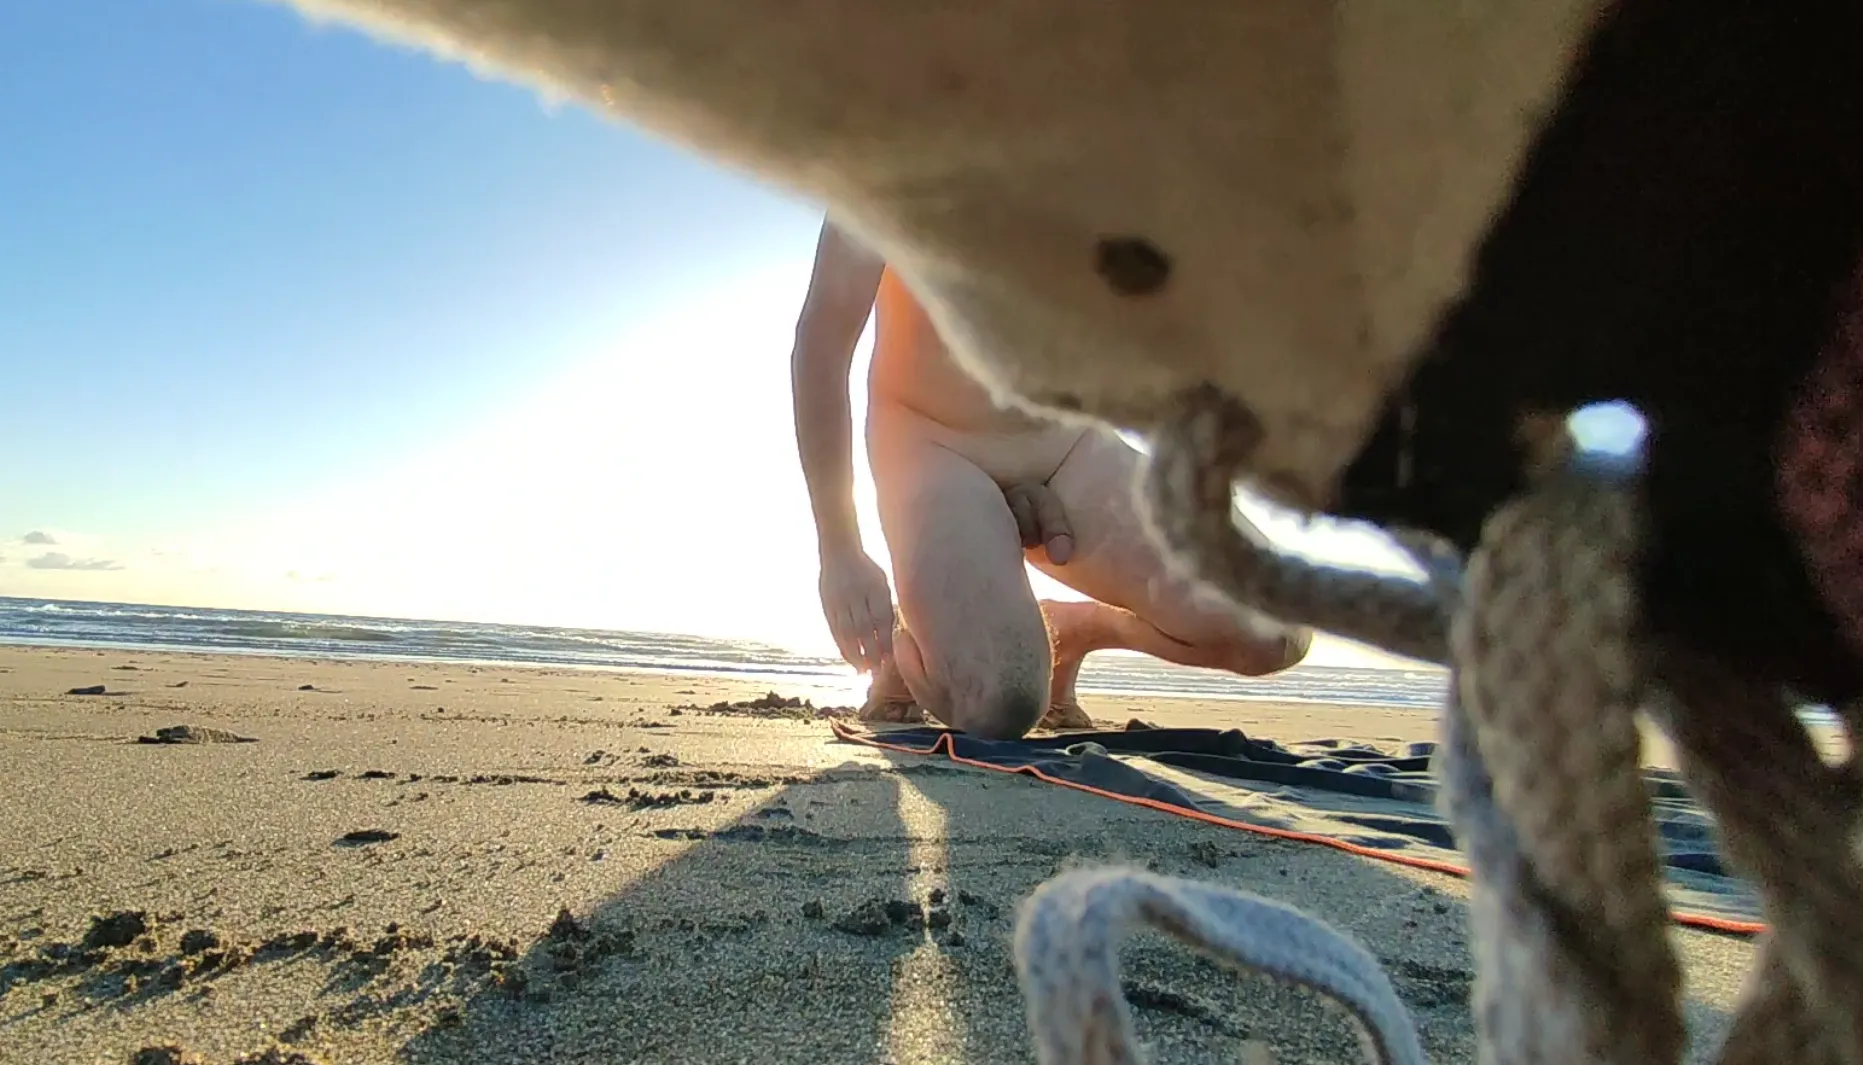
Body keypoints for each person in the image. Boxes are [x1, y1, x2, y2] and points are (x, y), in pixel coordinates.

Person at [791, 219, 1312, 740]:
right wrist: (840, 550)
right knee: (1001, 702)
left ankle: (1079, 627)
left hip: (1069, 445)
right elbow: (823, 341)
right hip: (932, 447)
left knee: (1273, 630)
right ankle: (914, 647)